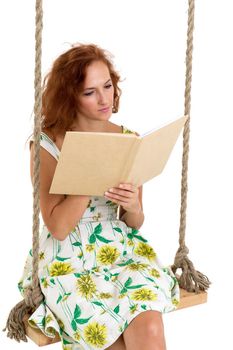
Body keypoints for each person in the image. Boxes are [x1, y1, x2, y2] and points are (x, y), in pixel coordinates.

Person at [18, 43, 180, 350]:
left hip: (119, 252)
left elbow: (133, 222)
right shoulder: (47, 145)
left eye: (107, 86)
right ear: (70, 97)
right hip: (69, 260)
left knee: (150, 330)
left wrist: (133, 206)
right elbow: (58, 227)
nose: (104, 98)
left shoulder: (127, 140)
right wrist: (91, 174)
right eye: (89, 92)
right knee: (110, 343)